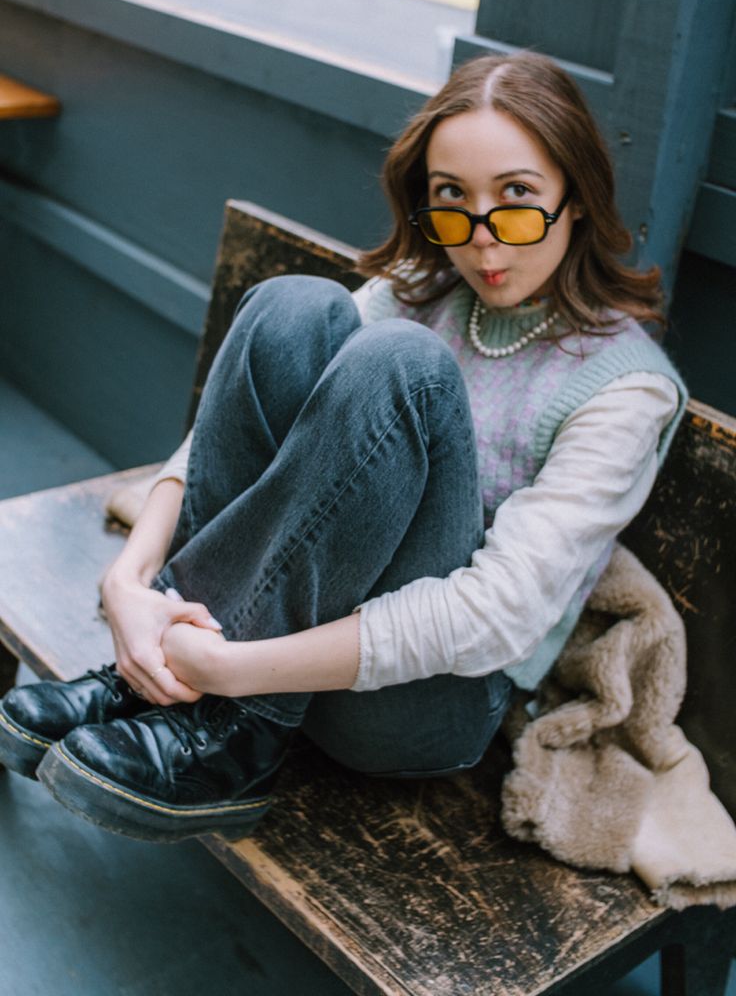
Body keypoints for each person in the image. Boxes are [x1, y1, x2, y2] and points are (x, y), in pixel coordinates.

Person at [0, 51, 686, 843]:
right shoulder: (419, 291)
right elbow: (216, 439)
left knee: (403, 364)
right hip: (277, 641)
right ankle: (176, 682)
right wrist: (130, 582)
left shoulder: (622, 385)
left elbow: (498, 619)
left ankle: (226, 717)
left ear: (577, 198)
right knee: (289, 307)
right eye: (452, 200)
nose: (483, 241)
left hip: (422, 702)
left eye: (519, 199)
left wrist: (230, 670)